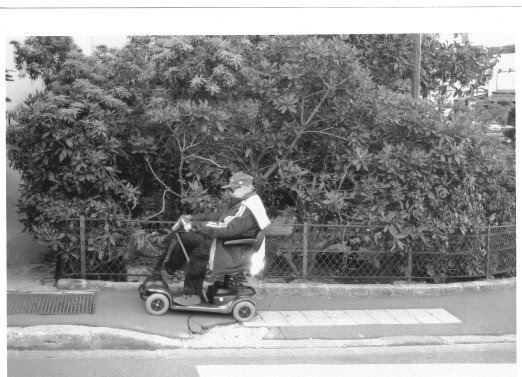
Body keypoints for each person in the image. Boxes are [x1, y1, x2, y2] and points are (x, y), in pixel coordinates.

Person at [159, 172, 271, 306]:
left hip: (233, 248)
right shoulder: (241, 202)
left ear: (246, 187)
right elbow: (217, 217)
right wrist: (192, 219)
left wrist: (195, 225)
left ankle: (193, 294)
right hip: (226, 241)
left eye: (233, 189)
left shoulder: (246, 208)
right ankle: (168, 272)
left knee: (200, 252)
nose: (230, 192)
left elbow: (226, 227)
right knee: (187, 238)